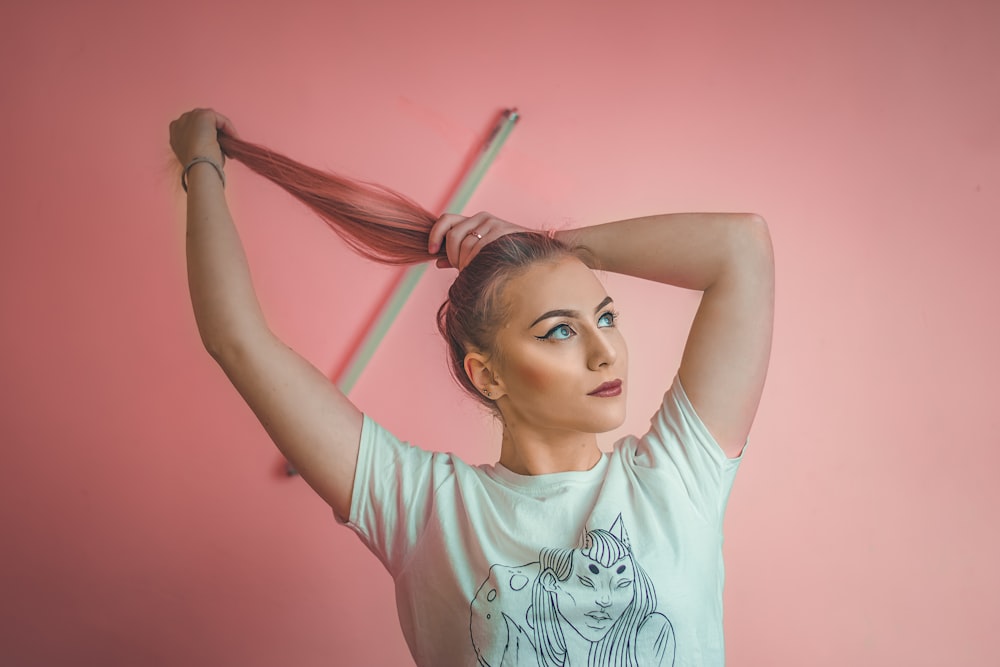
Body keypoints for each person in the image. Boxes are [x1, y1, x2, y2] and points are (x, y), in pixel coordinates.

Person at [169, 108, 774, 667]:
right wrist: (202, 163)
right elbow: (236, 340)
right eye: (560, 330)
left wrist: (555, 249)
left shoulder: (676, 476)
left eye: (607, 317)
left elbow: (741, 246)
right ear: (486, 373)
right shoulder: (424, 508)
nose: (604, 350)